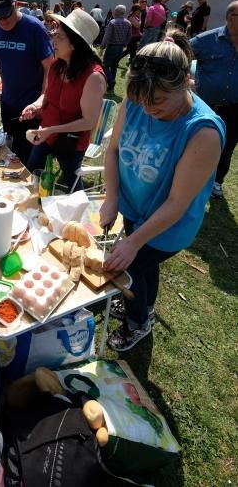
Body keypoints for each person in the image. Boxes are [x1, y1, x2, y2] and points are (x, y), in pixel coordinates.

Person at [100, 30, 225, 351]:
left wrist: (134, 241)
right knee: (140, 269)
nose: (148, 109)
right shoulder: (138, 98)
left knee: (134, 264)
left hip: (169, 224)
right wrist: (112, 198)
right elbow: (112, 151)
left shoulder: (202, 132)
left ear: (186, 82)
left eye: (156, 102)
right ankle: (143, 305)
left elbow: (177, 202)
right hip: (134, 208)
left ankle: (138, 322)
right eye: (141, 101)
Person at [24, 10, 106, 188]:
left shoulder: (93, 77)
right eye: (54, 34)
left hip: (71, 140)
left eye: (59, 37)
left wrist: (52, 130)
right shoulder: (57, 64)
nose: (53, 40)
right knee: (32, 171)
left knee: (71, 182)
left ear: (75, 44)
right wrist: (35, 105)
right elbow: (48, 94)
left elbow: (88, 122)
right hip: (46, 132)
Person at [0, 0, 53, 164]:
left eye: (6, 14)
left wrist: (42, 100)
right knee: (10, 149)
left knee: (30, 156)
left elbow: (50, 67)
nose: (2, 21)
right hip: (8, 102)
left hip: (32, 106)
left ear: (15, 5)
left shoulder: (34, 28)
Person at [190, 0, 238, 199]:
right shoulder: (206, 40)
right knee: (195, 144)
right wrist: (188, 80)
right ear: (229, 17)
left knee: (227, 146)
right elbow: (180, 55)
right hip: (206, 106)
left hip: (235, 108)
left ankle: (217, 181)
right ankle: (190, 179)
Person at [100, 4, 131, 91]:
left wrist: (102, 47)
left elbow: (107, 36)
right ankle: (111, 86)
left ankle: (110, 80)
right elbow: (129, 36)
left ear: (117, 12)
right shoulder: (128, 23)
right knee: (114, 67)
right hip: (120, 48)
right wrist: (125, 44)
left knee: (105, 66)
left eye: (115, 11)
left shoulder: (112, 22)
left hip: (111, 47)